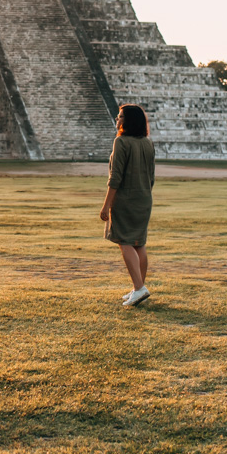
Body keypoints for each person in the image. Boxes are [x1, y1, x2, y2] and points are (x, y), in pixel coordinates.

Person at [99, 103, 155, 307]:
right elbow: (151, 176)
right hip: (144, 198)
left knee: (125, 241)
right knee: (139, 242)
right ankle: (138, 287)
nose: (117, 119)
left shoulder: (121, 142)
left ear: (128, 121)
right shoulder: (148, 143)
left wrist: (106, 205)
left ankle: (139, 288)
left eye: (121, 116)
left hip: (125, 199)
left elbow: (115, 178)